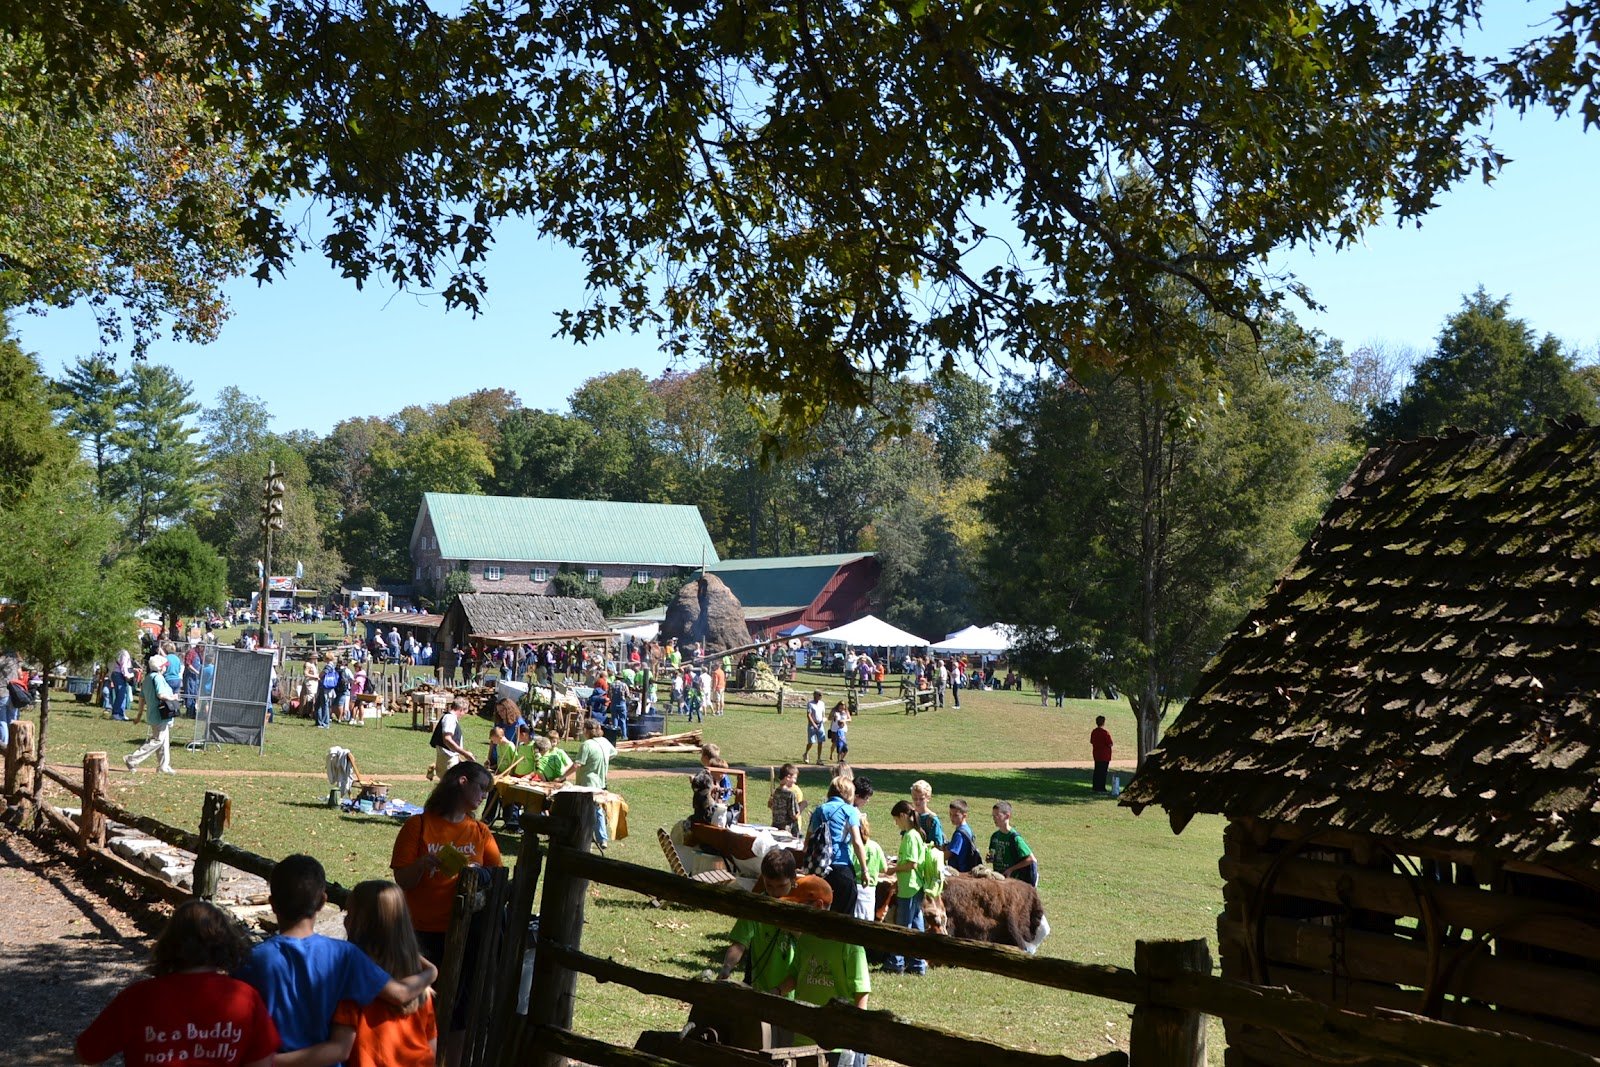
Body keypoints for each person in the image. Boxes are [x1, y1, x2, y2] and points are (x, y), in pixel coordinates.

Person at [240, 854, 435, 1067]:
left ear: (273, 904)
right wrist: (431, 972)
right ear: (323, 901)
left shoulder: (253, 960)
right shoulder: (347, 957)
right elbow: (406, 1004)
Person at [390, 763, 503, 1065]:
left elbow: (500, 876)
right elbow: (402, 879)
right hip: (420, 934)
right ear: (461, 782)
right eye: (480, 787)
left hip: (464, 936)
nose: (483, 795)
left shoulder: (480, 831)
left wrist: (479, 874)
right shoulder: (418, 825)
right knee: (420, 1008)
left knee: (459, 1015)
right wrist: (423, 864)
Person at [78, 898, 279, 1066]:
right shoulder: (245, 998)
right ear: (224, 945)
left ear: (169, 944)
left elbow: (86, 1053)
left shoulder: (138, 998)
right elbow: (262, 1062)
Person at [329, 881, 438, 1067]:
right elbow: (431, 1046)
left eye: (350, 914)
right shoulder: (420, 986)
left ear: (361, 924)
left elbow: (341, 1047)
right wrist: (430, 969)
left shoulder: (353, 977)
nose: (345, 920)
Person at [775, 878, 870, 1067]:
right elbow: (796, 975)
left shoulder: (847, 941)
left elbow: (861, 991)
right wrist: (776, 991)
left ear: (818, 905)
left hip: (836, 1042)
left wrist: (853, 1038)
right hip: (804, 1036)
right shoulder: (805, 938)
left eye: (798, 907)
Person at [713, 849, 802, 996]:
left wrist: (790, 925)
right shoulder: (756, 907)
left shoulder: (803, 907)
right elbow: (739, 944)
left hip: (793, 992)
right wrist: (727, 967)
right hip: (760, 988)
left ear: (793, 879)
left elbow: (809, 945)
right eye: (769, 886)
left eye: (781, 886)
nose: (774, 893)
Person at [807, 777, 870, 917]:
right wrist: (865, 869)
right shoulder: (849, 811)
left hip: (820, 869)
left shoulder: (819, 810)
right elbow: (857, 842)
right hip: (841, 867)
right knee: (844, 917)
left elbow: (808, 841)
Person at [882, 800, 929, 975]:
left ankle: (896, 962)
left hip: (908, 887)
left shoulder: (910, 836)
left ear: (903, 816)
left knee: (902, 926)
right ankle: (917, 964)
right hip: (915, 886)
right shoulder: (916, 834)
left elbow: (911, 864)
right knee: (916, 926)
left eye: (896, 820)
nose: (896, 824)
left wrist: (893, 869)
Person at [124, 654, 178, 775]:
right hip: (160, 714)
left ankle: (163, 765)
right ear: (160, 667)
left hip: (153, 714)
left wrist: (139, 715)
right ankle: (132, 759)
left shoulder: (147, 678)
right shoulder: (158, 678)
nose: (165, 668)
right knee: (158, 740)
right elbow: (161, 695)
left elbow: (142, 698)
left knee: (164, 741)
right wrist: (172, 697)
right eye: (164, 666)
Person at [987, 801, 1038, 885]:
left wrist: (1011, 869)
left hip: (1013, 882)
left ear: (1007, 816)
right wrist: (990, 858)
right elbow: (992, 855)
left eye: (997, 816)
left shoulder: (1014, 837)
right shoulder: (995, 836)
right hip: (998, 878)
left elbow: (1031, 859)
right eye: (993, 816)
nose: (994, 818)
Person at [430, 696, 473, 779]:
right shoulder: (450, 718)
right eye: (464, 712)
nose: (463, 715)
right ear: (461, 709)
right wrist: (465, 753)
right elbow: (447, 739)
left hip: (448, 759)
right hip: (447, 760)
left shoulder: (449, 718)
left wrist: (459, 758)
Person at [768, 762, 805, 836]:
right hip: (788, 832)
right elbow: (794, 816)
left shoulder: (775, 792)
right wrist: (803, 805)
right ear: (788, 777)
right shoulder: (790, 794)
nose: (795, 781)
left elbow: (771, 806)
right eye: (794, 778)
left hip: (775, 828)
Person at [944, 799, 980, 873]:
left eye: (955, 815)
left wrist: (935, 858)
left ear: (964, 815)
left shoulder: (959, 834)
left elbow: (950, 853)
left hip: (959, 871)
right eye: (950, 814)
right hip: (967, 868)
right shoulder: (968, 829)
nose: (952, 818)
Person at [908, 780, 945, 848]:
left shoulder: (932, 819)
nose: (917, 802)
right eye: (915, 798)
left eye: (921, 799)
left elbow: (938, 844)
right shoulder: (909, 816)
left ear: (928, 798)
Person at [1090, 715, 1114, 793]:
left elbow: (1092, 741)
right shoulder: (1105, 733)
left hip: (1096, 754)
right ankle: (1101, 787)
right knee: (1103, 772)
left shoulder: (1094, 732)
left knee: (1097, 771)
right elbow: (1110, 743)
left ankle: (1095, 786)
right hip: (1104, 755)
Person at [802, 690, 827, 766]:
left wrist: (823, 720)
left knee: (820, 741)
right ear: (815, 695)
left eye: (821, 695)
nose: (820, 696)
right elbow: (809, 715)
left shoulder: (822, 704)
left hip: (820, 725)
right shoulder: (810, 704)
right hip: (812, 725)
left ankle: (819, 759)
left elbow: (823, 714)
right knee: (811, 742)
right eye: (819, 695)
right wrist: (813, 724)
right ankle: (806, 753)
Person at [110, 647, 134, 721]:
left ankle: (121, 713)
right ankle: (116, 713)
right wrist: (126, 675)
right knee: (121, 694)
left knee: (122, 694)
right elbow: (123, 666)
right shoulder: (124, 653)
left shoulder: (117, 652)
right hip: (119, 674)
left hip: (115, 674)